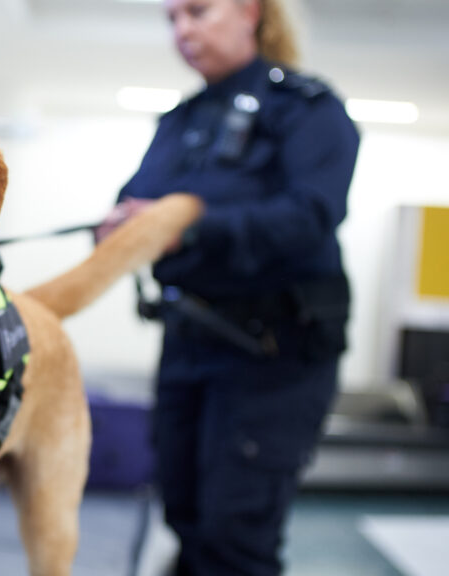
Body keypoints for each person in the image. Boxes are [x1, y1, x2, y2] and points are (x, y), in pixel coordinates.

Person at [97, 0, 360, 574]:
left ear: (249, 12)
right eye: (172, 19)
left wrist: (188, 226)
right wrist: (121, 226)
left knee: (234, 537)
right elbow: (137, 198)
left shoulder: (307, 109)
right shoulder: (180, 120)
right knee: (183, 514)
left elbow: (311, 215)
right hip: (189, 343)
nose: (182, 30)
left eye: (197, 11)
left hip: (274, 352)